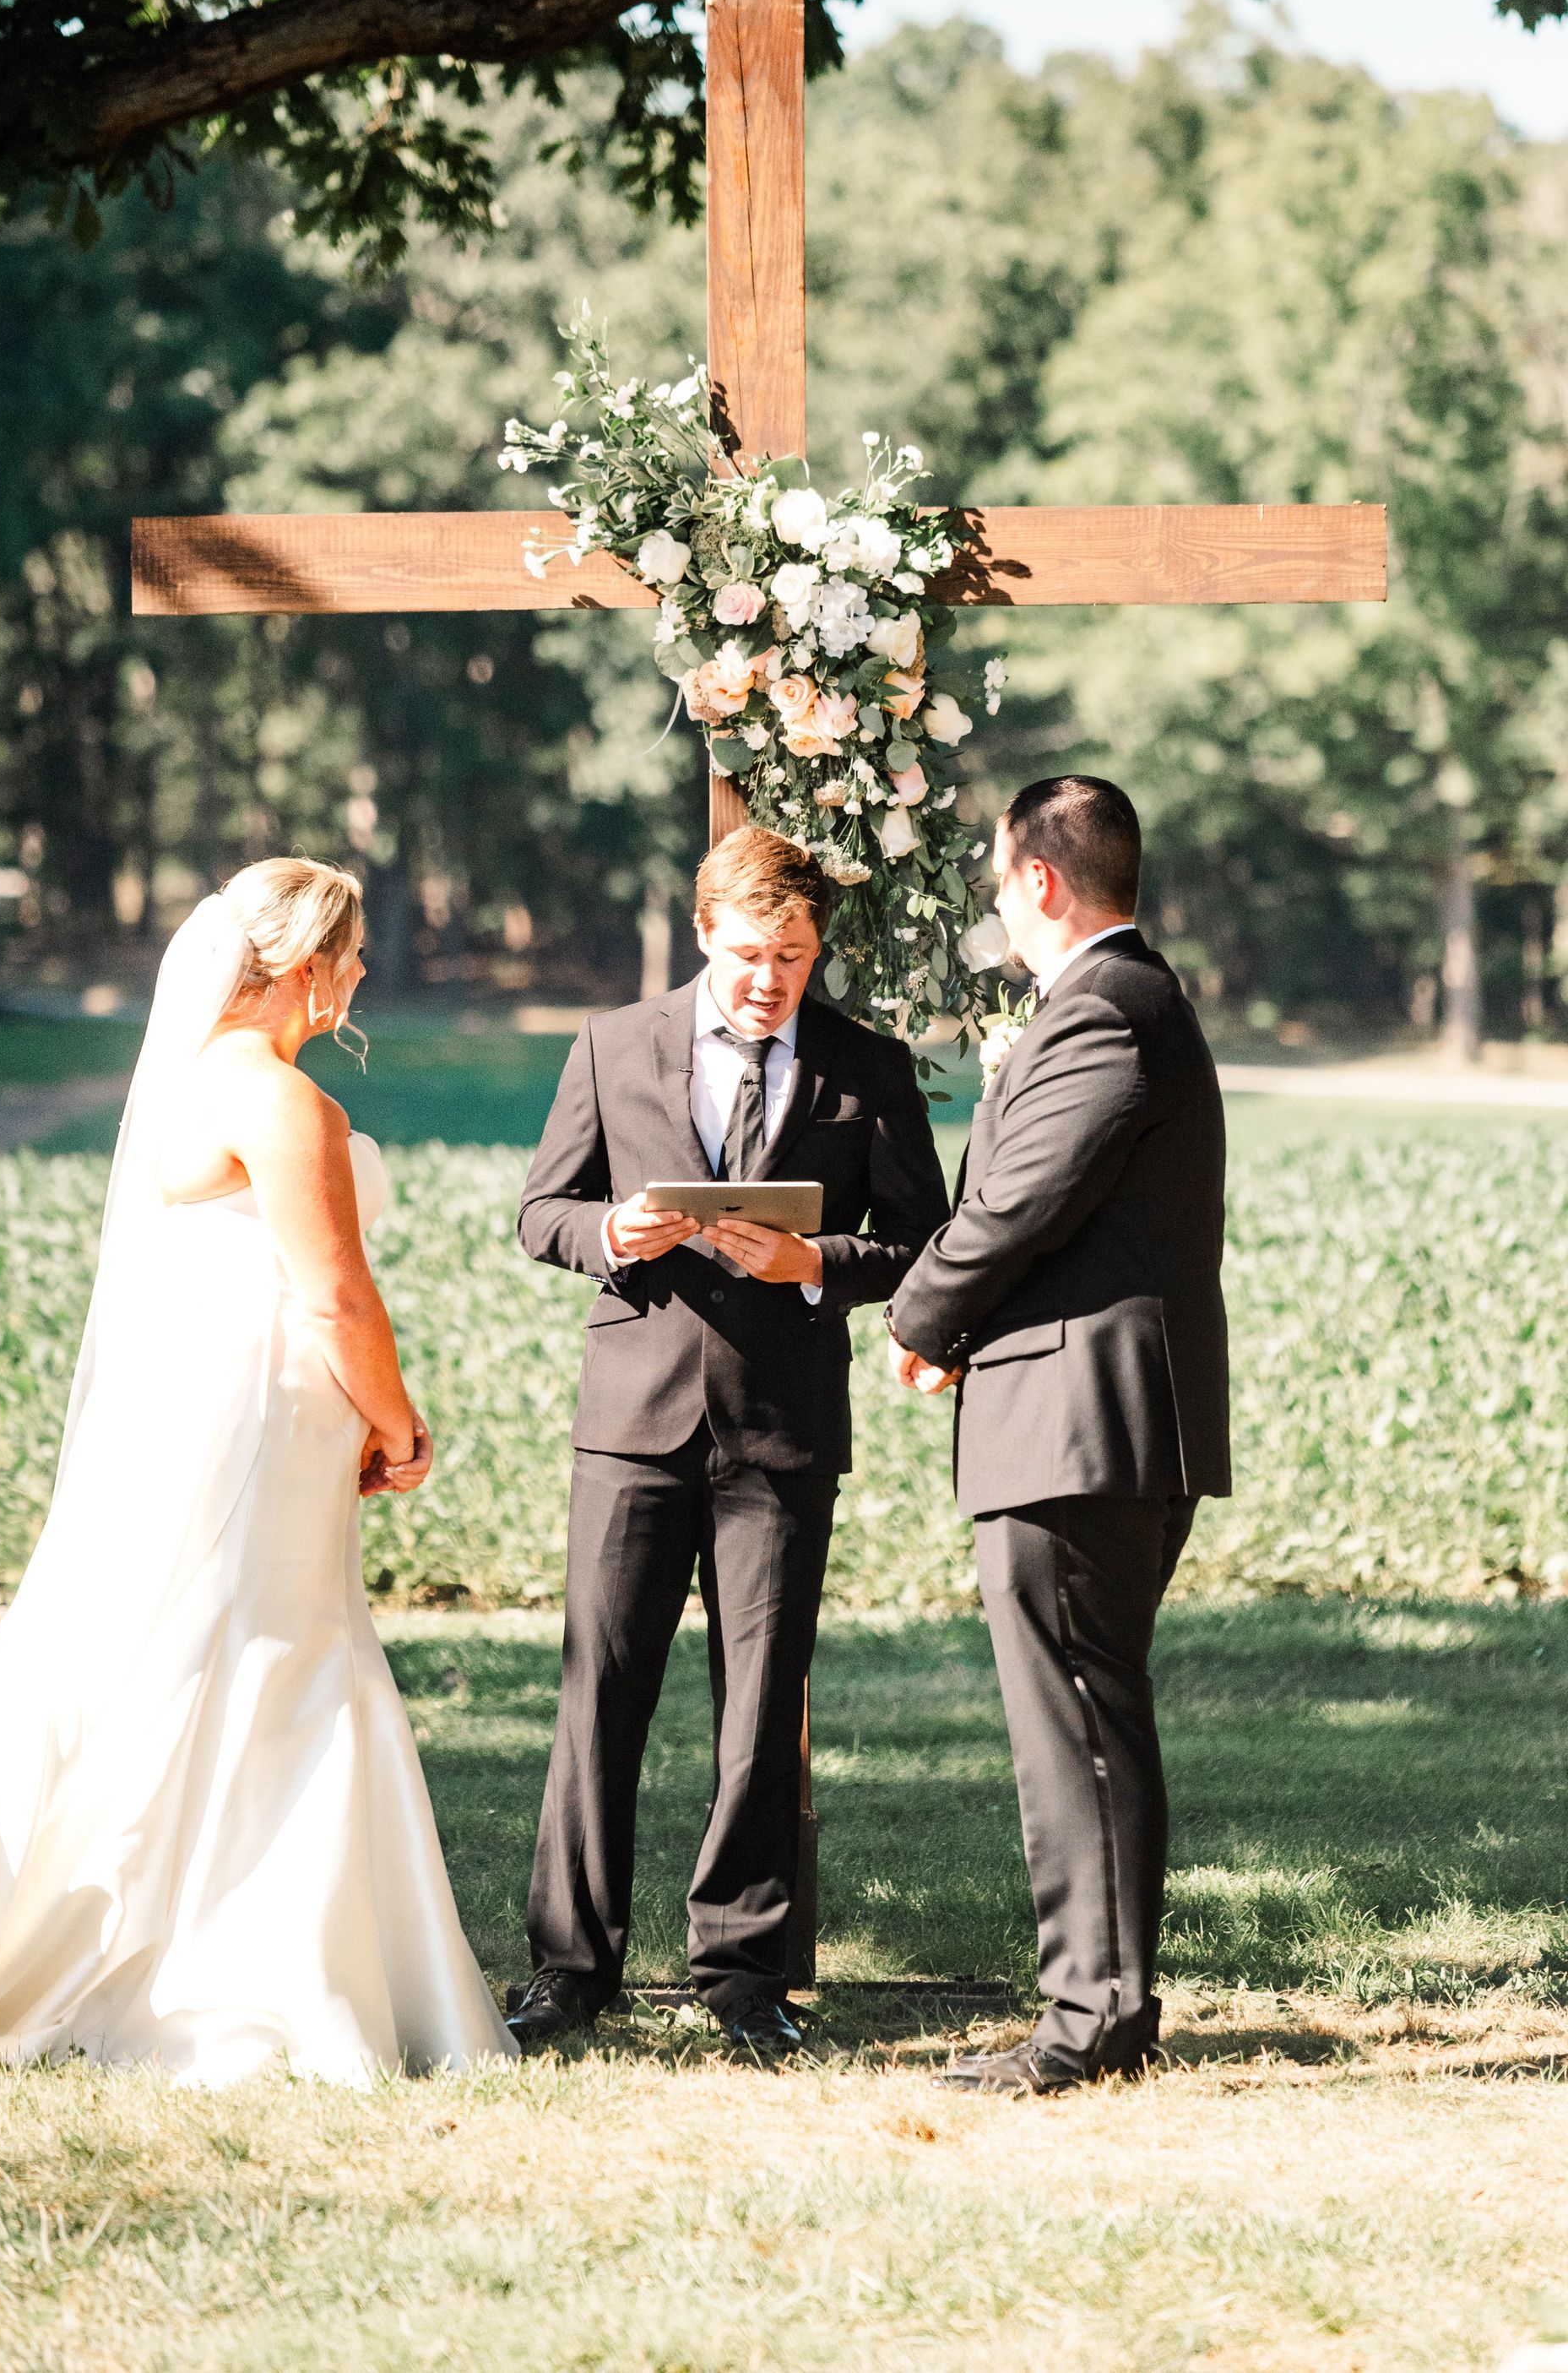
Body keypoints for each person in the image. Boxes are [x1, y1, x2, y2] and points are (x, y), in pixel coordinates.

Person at [0, 858, 516, 2086]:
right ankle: (245, 1966)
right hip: (274, 1421)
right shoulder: (280, 1101)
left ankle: (161, 1934)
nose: (360, 977)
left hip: (224, 1414)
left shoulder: (189, 1084)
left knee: (188, 1650)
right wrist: (401, 1423)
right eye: (352, 956)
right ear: (306, 969)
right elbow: (333, 1292)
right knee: (276, 1651)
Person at [513, 826, 948, 2061]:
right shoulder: (611, 1043)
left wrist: (816, 1260)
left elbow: (929, 1243)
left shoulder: (868, 1066)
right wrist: (615, 1234)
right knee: (602, 1694)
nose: (772, 979)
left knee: (761, 1707)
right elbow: (542, 1211)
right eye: (753, 954)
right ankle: (568, 1971)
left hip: (784, 1429)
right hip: (632, 1427)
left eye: (796, 958)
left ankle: (746, 1978)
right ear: (705, 933)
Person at [888, 777, 1231, 2096]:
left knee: (1076, 1719)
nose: (990, 893)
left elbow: (1022, 1199)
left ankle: (1089, 2021)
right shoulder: (1118, 1004)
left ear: (1039, 878)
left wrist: (923, 1316)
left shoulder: (1106, 1008)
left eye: (994, 871)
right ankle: (1103, 2006)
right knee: (1090, 1710)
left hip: (1081, 1419)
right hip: (1086, 1412)